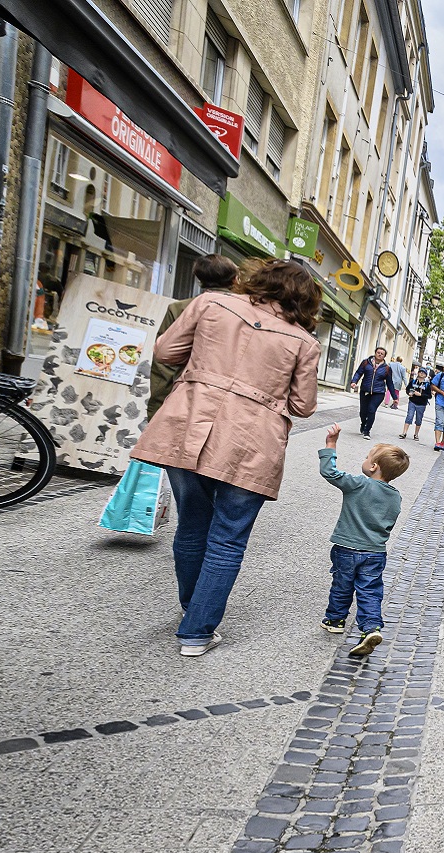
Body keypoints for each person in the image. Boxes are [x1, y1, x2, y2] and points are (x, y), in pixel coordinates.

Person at [130, 259, 321, 657]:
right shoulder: (303, 341)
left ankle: (193, 609)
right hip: (253, 440)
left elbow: (165, 351)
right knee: (228, 539)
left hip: (189, 425)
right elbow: (303, 406)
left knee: (191, 527)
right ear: (305, 300)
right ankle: (196, 631)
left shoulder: (210, 305)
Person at [319, 423, 408, 657]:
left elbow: (330, 473)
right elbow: (389, 522)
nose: (365, 458)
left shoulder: (359, 483)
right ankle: (371, 628)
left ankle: (335, 620)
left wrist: (331, 445)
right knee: (370, 590)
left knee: (342, 585)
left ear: (373, 466)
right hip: (375, 552)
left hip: (346, 548)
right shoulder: (395, 496)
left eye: (367, 456)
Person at [150, 255, 238, 419]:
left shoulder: (179, 308)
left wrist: (157, 408)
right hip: (227, 405)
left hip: (184, 398)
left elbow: (163, 366)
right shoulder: (247, 314)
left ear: (199, 279)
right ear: (235, 280)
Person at [349, 347, 398, 438]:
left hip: (378, 392)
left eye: (382, 354)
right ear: (375, 353)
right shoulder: (366, 363)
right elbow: (358, 373)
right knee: (363, 412)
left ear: (384, 356)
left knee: (371, 410)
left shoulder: (387, 368)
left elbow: (389, 383)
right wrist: (354, 381)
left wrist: (395, 397)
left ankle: (367, 431)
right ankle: (363, 424)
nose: (379, 354)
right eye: (378, 352)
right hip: (365, 390)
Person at [399, 366, 433, 440]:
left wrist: (421, 395)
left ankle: (416, 434)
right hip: (412, 401)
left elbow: (429, 396)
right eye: (420, 372)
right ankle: (404, 432)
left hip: (421, 404)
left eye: (423, 373)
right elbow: (408, 389)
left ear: (425, 375)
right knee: (409, 416)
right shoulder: (413, 381)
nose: (421, 373)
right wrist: (409, 393)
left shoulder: (427, 385)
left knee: (418, 419)